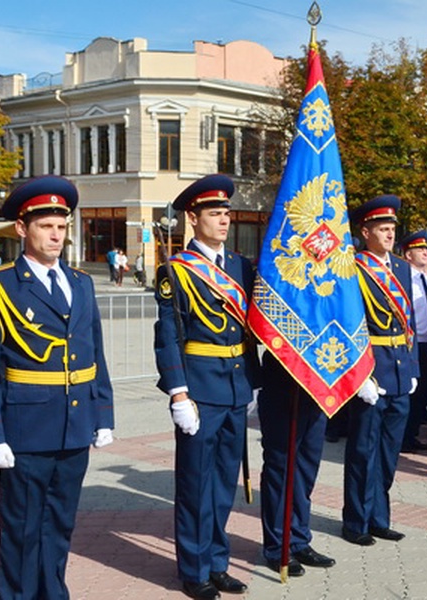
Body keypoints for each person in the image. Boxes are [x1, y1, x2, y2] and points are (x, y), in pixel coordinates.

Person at [0, 175, 114, 599]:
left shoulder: (81, 283)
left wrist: (103, 414)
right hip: (25, 427)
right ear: (21, 229)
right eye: (45, 226)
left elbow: (95, 354)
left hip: (75, 425)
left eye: (62, 226)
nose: (55, 235)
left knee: (59, 524)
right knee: (21, 529)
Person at [154, 174, 256, 599]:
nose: (224, 220)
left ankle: (218, 562)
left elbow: (252, 329)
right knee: (196, 485)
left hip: (236, 389)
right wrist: (178, 392)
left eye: (227, 213)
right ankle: (193, 570)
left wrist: (258, 381)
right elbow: (168, 336)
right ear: (192, 218)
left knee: (221, 486)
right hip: (199, 392)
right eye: (215, 213)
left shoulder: (240, 266)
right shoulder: (175, 271)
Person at [343, 194, 418, 546]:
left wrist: (413, 367)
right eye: (382, 229)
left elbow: (410, 323)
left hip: (400, 372)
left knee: (389, 453)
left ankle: (379, 518)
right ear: (365, 231)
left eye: (391, 229)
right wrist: (360, 376)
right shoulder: (354, 268)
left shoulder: (402, 268)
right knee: (362, 451)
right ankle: (356, 522)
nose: (389, 235)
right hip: (371, 372)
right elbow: (349, 325)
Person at [258, 354, 336, 577]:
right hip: (283, 380)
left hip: (317, 385)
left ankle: (299, 540)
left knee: (305, 469)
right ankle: (277, 546)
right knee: (280, 469)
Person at [399, 230, 427, 453]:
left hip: (425, 342)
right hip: (411, 342)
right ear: (408, 254)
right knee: (411, 393)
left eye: (426, 248)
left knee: (422, 393)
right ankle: (403, 437)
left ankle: (412, 434)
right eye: (419, 249)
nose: (425, 252)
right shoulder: (406, 280)